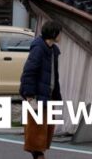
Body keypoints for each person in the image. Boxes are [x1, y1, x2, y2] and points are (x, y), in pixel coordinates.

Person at [20, 21, 63, 159]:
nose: (61, 36)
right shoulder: (38, 48)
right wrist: (30, 96)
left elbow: (54, 77)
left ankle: (39, 155)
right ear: (54, 34)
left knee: (46, 131)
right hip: (38, 96)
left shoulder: (52, 50)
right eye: (59, 33)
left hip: (48, 95)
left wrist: (56, 96)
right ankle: (39, 156)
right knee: (36, 133)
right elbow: (28, 72)